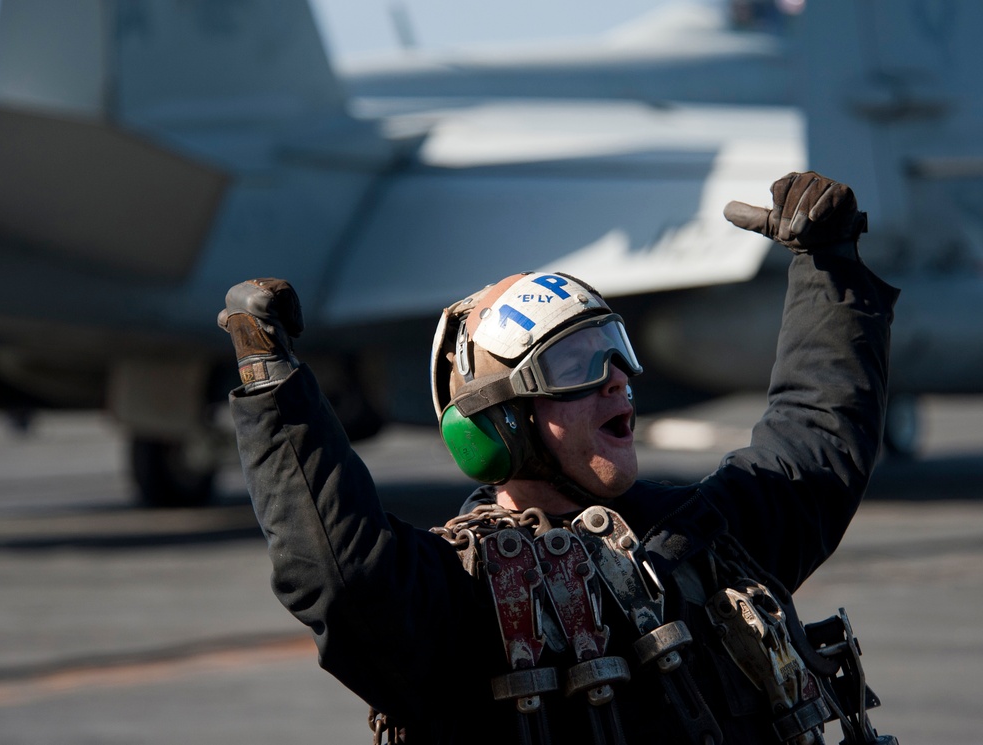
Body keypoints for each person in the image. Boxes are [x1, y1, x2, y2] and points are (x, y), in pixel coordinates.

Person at [219, 172, 899, 745]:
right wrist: (274, 389)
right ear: (503, 422)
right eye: (576, 361)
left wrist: (827, 265)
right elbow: (341, 577)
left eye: (614, 347)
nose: (616, 377)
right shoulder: (453, 598)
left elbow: (816, 440)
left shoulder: (703, 538)